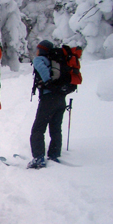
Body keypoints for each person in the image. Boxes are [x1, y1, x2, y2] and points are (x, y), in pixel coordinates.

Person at [27, 40, 67, 169]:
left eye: (38, 49)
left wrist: (48, 83)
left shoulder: (39, 60)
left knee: (38, 128)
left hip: (49, 98)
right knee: (56, 128)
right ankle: (54, 154)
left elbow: (43, 71)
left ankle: (38, 158)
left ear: (42, 50)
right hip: (61, 97)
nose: (36, 51)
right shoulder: (56, 61)